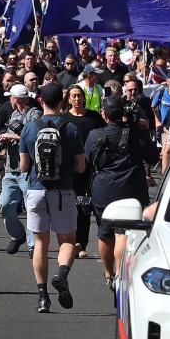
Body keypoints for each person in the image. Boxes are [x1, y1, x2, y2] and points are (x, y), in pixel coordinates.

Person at [19, 82, 86, 314]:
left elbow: (24, 165)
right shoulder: (71, 128)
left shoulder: (29, 128)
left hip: (37, 190)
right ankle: (62, 274)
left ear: (41, 100)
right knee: (67, 240)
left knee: (40, 243)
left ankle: (42, 297)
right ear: (63, 101)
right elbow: (80, 166)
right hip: (63, 190)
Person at [86, 96, 158, 290]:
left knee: (104, 231)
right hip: (131, 188)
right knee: (122, 232)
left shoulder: (95, 135)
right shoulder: (137, 133)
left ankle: (108, 273)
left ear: (104, 113)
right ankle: (120, 273)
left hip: (103, 188)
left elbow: (89, 159)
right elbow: (152, 157)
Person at [0, 83, 40, 255]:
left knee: (31, 208)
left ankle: (33, 245)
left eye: (11, 97)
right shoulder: (14, 114)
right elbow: (11, 132)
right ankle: (18, 235)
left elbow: (36, 136)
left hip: (27, 169)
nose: (10, 100)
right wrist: (4, 140)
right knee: (5, 204)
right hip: (11, 168)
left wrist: (13, 136)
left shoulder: (34, 114)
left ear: (17, 98)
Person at [60, 85, 103, 258]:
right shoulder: (63, 119)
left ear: (84, 98)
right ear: (68, 99)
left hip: (91, 169)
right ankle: (71, 241)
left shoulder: (94, 118)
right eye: (74, 96)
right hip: (70, 169)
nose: (77, 99)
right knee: (71, 206)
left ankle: (82, 243)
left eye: (79, 96)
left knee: (86, 205)